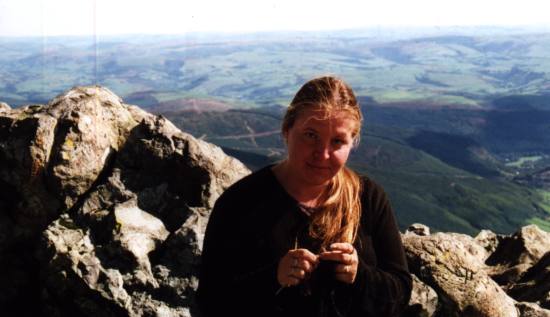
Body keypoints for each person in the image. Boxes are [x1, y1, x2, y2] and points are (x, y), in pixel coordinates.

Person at [197, 76, 412, 317]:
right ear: (287, 131)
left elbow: (401, 291)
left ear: (352, 143)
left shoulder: (368, 198)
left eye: (338, 141)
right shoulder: (240, 204)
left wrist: (359, 275)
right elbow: (210, 302)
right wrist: (273, 277)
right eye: (311, 135)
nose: (323, 154)